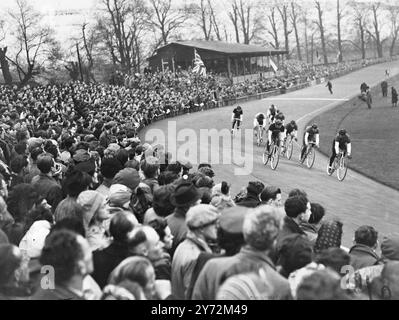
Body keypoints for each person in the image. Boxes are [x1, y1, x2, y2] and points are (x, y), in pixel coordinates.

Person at [171, 204, 219, 300]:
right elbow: (194, 295)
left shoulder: (184, 246)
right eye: (214, 223)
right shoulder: (196, 257)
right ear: (201, 228)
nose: (218, 227)